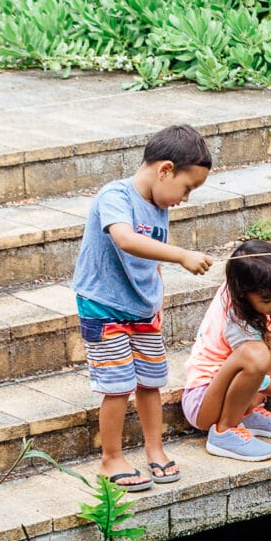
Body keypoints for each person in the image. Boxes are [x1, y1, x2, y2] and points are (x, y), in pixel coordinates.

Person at [72, 122, 213, 492]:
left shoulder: (158, 203)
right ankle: (111, 458)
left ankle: (155, 448)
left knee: (151, 381)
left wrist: (157, 298)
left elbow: (148, 262)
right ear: (165, 170)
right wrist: (182, 255)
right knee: (117, 385)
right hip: (104, 307)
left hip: (143, 309)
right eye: (187, 188)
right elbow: (126, 240)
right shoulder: (114, 197)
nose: (185, 198)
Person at [180, 240, 271, 464]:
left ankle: (247, 412)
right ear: (243, 293)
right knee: (255, 354)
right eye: (268, 299)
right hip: (202, 401)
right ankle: (224, 431)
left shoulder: (249, 292)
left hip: (224, 395)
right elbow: (260, 380)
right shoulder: (235, 317)